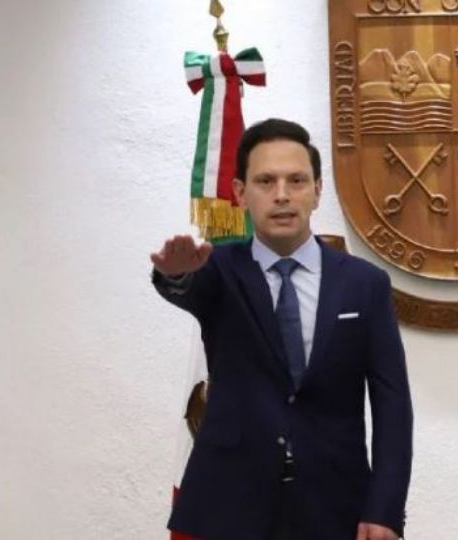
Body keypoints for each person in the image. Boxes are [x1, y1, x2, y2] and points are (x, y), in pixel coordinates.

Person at [150, 119, 413, 540]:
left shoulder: (365, 284)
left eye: (296, 180)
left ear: (317, 189)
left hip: (336, 506)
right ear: (240, 192)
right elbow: (188, 289)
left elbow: (392, 406)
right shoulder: (216, 269)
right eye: (266, 181)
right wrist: (178, 276)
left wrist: (385, 506)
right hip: (226, 507)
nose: (282, 195)